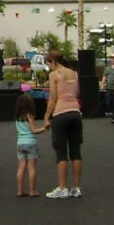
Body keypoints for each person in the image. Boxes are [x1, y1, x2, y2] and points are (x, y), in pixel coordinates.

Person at [43, 50, 84, 198]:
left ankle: (62, 187)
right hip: (75, 113)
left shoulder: (54, 75)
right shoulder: (74, 73)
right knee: (76, 151)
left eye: (48, 64)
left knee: (61, 153)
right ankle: (76, 188)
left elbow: (53, 98)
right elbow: (77, 93)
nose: (49, 67)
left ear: (53, 61)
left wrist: (46, 116)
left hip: (60, 114)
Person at [14, 93, 49, 196]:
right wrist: (44, 128)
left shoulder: (17, 117)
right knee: (31, 168)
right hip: (30, 143)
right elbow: (33, 130)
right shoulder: (29, 116)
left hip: (20, 143)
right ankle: (32, 190)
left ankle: (20, 190)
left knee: (21, 168)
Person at [103, 57, 114, 122]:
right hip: (108, 88)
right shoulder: (107, 68)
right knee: (108, 102)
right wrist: (103, 84)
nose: (113, 60)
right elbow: (104, 76)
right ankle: (111, 111)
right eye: (112, 58)